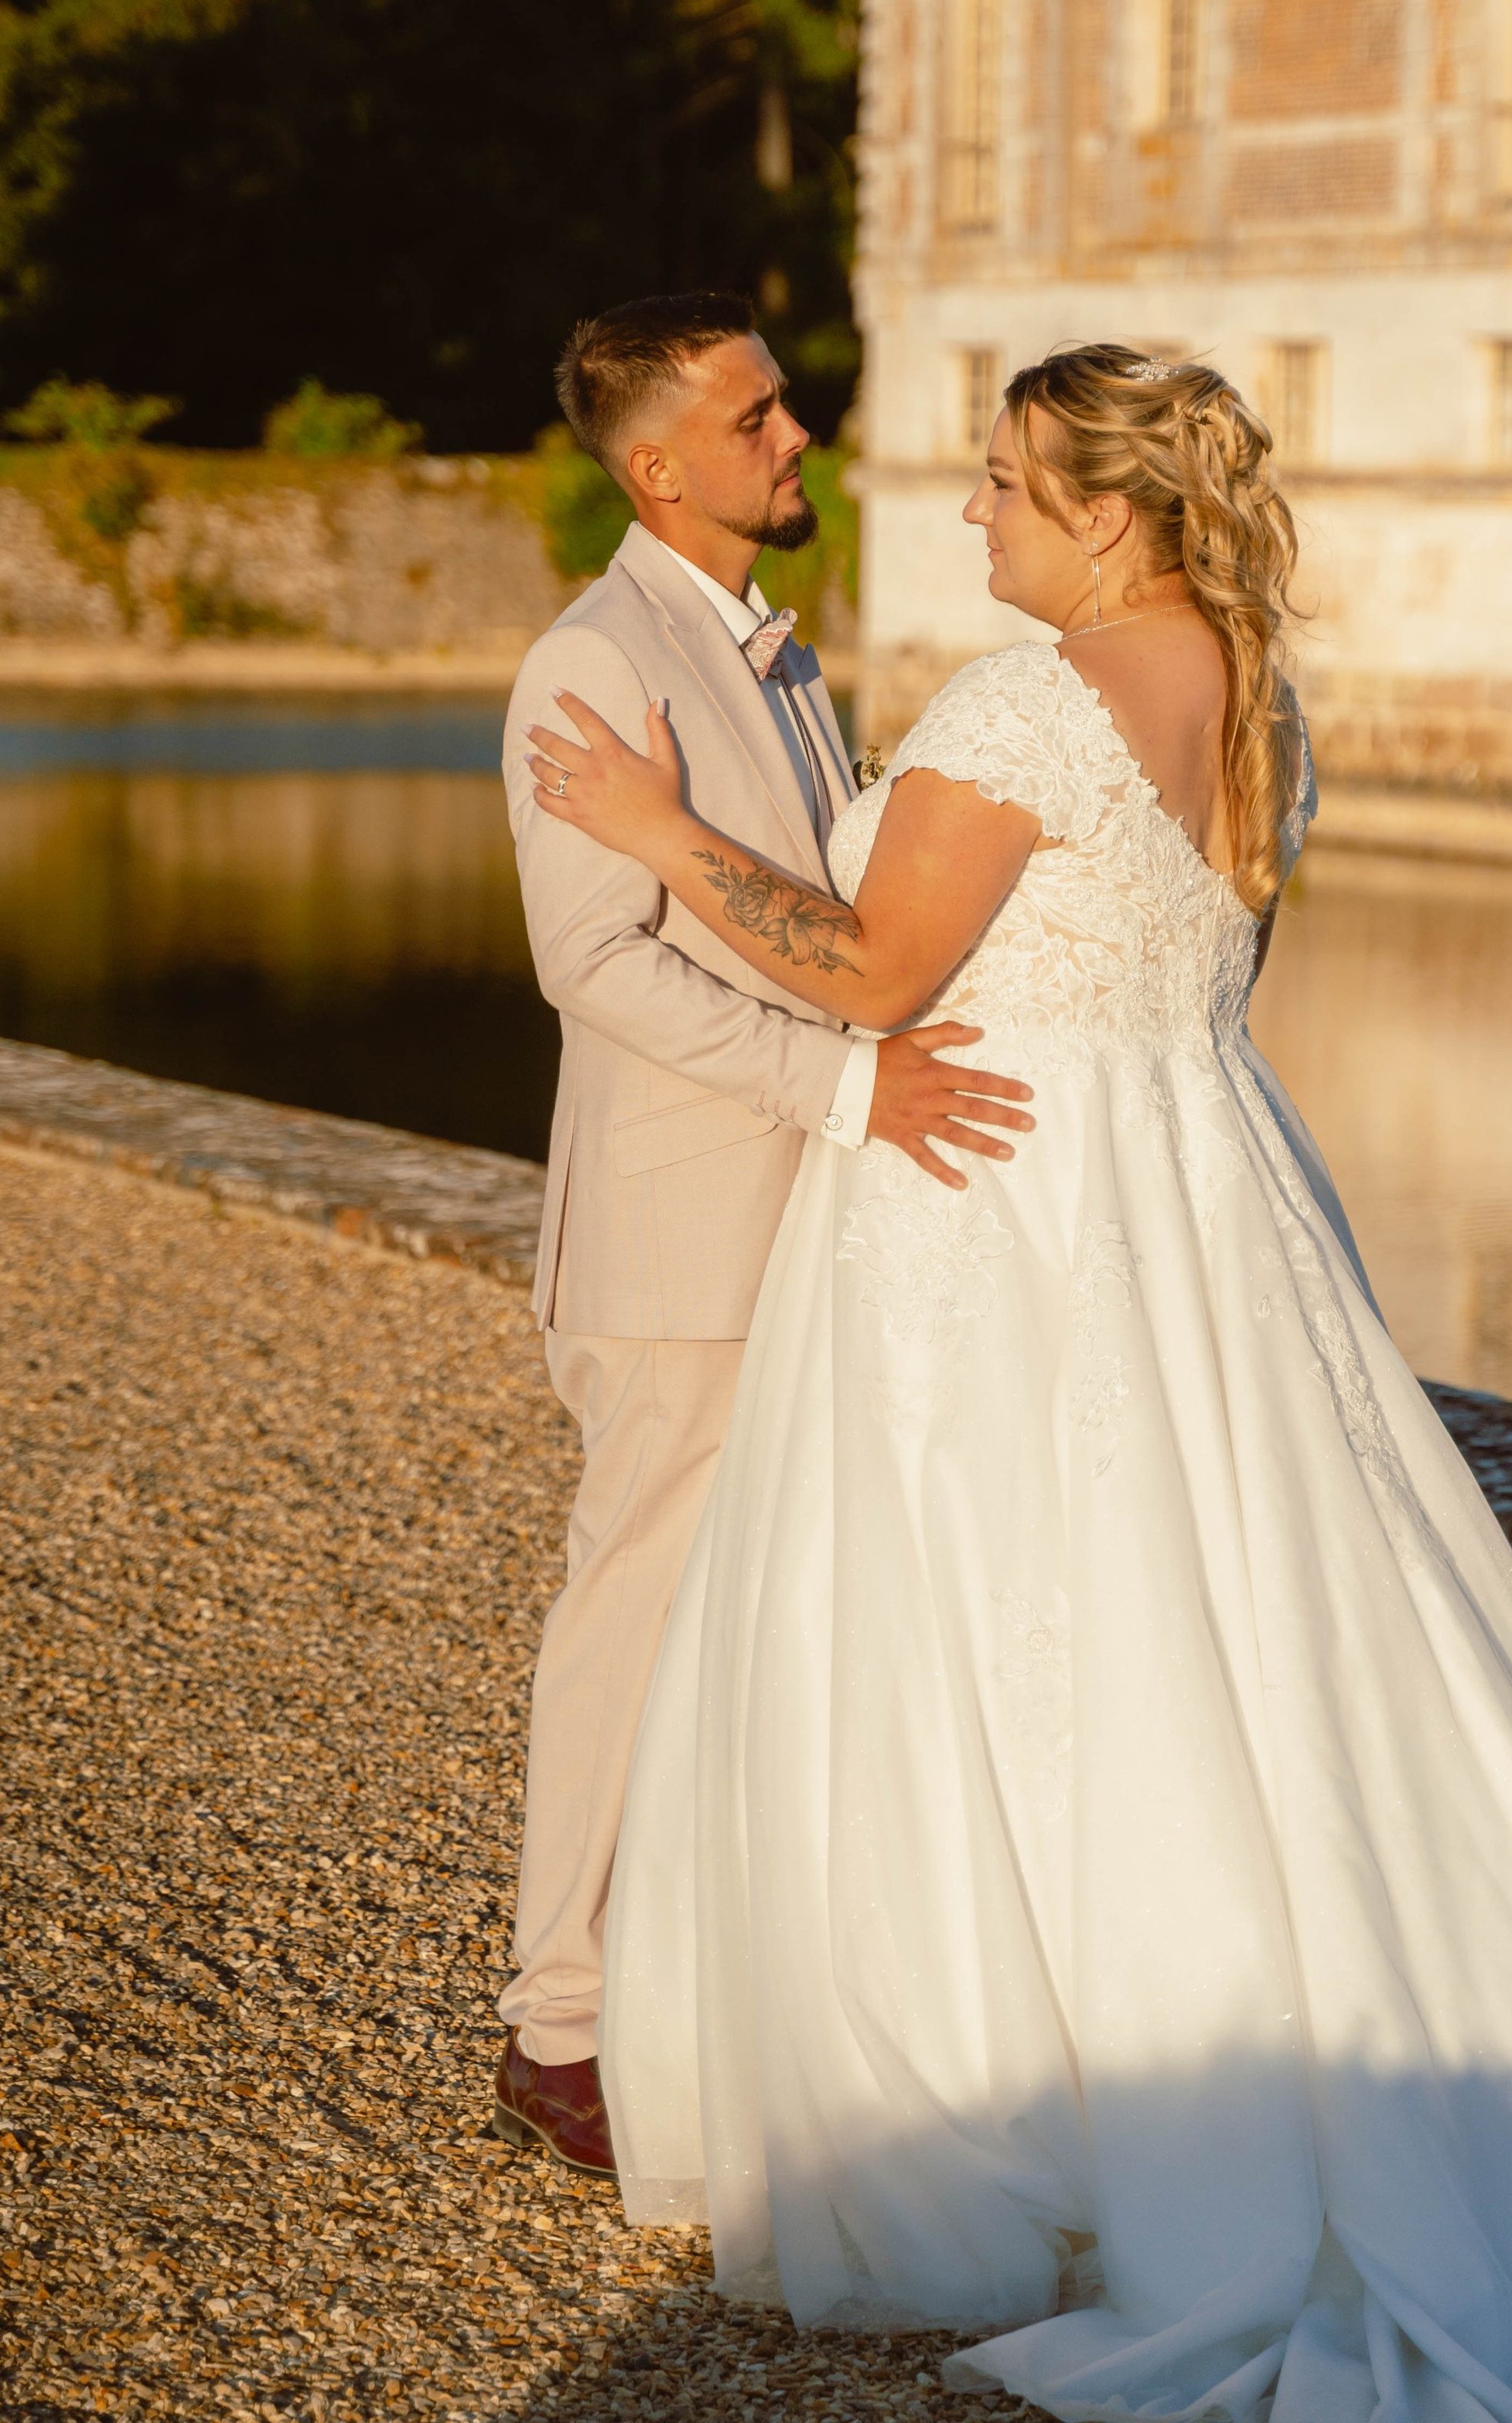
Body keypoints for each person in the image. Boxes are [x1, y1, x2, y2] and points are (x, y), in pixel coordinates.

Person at [524, 343, 1512, 2421]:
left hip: (1006, 1213)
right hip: (1205, 1195)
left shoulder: (1021, 703)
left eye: (1001, 482)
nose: (969, 511)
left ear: (1105, 509)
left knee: (1012, 1642)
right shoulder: (1258, 696)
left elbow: (874, 975)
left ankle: (1047, 2101)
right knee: (1232, 1640)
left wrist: (648, 818)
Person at [492, 294, 1032, 2175]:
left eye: (781, 402)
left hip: (806, 1220)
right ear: (658, 466)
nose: (796, 435)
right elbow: (592, 968)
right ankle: (556, 2023)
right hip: (677, 1234)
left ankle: (709, 1985)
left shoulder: (776, 659)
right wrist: (849, 1091)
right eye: (756, 415)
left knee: (765, 1618)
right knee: (634, 1614)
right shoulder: (592, 658)